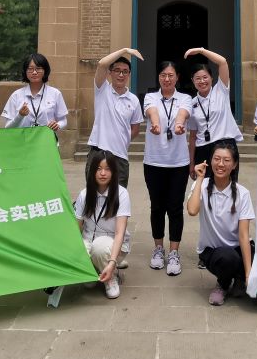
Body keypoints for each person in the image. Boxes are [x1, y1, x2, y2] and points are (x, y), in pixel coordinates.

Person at [187, 141, 254, 306]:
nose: (221, 164)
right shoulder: (201, 185)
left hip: (236, 249)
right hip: (213, 253)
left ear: (235, 164)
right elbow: (192, 210)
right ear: (210, 161)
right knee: (227, 258)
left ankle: (240, 279)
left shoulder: (243, 193)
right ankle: (223, 284)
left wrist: (249, 274)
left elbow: (243, 235)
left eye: (226, 160)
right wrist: (200, 178)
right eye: (216, 159)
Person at [143, 61, 192, 275]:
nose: (167, 79)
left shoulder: (185, 98)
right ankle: (158, 249)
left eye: (171, 75)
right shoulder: (150, 97)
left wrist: (179, 124)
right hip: (154, 162)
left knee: (175, 207)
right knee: (157, 207)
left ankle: (173, 252)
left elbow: (183, 114)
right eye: (163, 75)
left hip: (178, 163)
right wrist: (155, 124)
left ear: (177, 77)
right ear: (159, 77)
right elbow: (152, 112)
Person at [74, 150, 130, 299]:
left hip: (112, 245)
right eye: (98, 169)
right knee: (88, 282)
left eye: (107, 169)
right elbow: (76, 228)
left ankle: (111, 276)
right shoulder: (84, 194)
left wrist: (112, 262)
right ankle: (93, 270)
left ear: (114, 172)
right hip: (89, 240)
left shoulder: (121, 194)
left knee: (99, 247)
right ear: (92, 171)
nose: (103, 173)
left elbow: (120, 233)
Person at [86, 48, 144, 189]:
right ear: (110, 73)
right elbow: (102, 64)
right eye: (117, 70)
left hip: (120, 157)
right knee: (94, 196)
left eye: (125, 71)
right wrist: (125, 50)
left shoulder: (133, 100)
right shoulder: (102, 89)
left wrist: (120, 139)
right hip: (98, 152)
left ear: (129, 74)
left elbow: (135, 129)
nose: (121, 74)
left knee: (118, 197)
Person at [184, 47, 243, 175]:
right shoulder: (191, 104)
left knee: (228, 185)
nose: (202, 81)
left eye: (205, 77)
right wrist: (191, 163)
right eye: (197, 78)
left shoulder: (221, 90)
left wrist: (201, 51)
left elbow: (222, 62)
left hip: (225, 147)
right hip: (203, 150)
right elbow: (193, 137)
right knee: (204, 186)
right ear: (192, 81)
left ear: (211, 78)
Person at [2, 52, 69, 133]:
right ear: (25, 71)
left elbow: (63, 121)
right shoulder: (16, 95)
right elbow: (8, 128)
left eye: (38, 68)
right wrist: (20, 116)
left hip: (46, 139)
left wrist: (57, 125)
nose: (34, 72)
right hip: (23, 139)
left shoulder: (55, 93)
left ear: (45, 70)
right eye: (30, 69)